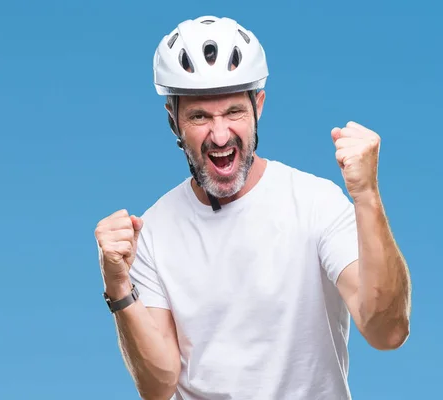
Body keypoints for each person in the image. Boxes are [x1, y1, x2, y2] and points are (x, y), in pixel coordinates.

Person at [94, 15, 412, 400]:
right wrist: (118, 287)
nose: (220, 134)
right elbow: (159, 386)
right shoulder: (153, 232)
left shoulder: (316, 204)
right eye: (199, 116)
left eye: (233, 112)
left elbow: (388, 331)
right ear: (173, 122)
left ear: (257, 105)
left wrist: (367, 196)